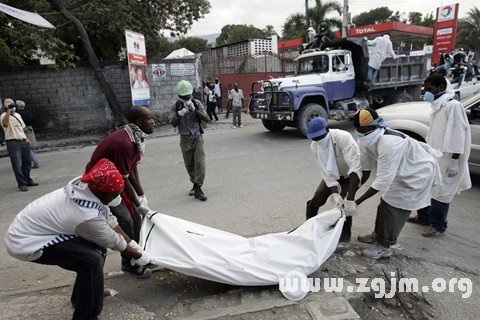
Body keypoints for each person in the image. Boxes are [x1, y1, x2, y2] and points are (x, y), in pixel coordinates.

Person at [4, 158, 153, 320]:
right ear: (103, 193)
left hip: (37, 228)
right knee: (91, 260)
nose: (117, 197)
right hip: (26, 242)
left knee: (95, 252)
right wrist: (140, 255)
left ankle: (83, 296)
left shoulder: (90, 189)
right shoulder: (85, 216)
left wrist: (132, 244)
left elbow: (110, 220)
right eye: (115, 194)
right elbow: (114, 241)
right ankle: (86, 315)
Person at [353, 108, 441, 259]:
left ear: (370, 127)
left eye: (361, 129)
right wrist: (351, 194)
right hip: (401, 172)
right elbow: (365, 169)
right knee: (385, 202)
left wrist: (357, 202)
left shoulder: (389, 143)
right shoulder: (365, 139)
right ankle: (378, 235)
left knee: (394, 207)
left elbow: (382, 180)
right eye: (357, 129)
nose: (358, 132)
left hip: (417, 173)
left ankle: (385, 246)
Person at [85, 105, 155, 278]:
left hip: (115, 181)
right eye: (149, 119)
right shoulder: (123, 143)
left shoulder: (134, 137)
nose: (153, 121)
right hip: (104, 186)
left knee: (137, 220)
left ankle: (139, 254)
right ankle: (129, 262)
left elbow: (131, 169)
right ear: (138, 122)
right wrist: (137, 204)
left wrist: (141, 195)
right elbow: (123, 177)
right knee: (125, 221)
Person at [408, 75, 471, 237]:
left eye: (429, 89)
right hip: (434, 156)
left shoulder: (453, 106)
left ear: (441, 87)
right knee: (427, 186)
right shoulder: (438, 105)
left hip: (447, 159)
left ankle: (438, 226)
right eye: (425, 89)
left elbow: (458, 135)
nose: (426, 92)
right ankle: (423, 217)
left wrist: (454, 162)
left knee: (442, 192)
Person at [305, 117, 362, 242]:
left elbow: (355, 167)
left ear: (327, 129)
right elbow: (324, 170)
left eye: (320, 136)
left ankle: (344, 235)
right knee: (316, 199)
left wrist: (351, 198)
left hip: (349, 176)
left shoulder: (343, 138)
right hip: (332, 175)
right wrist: (334, 192)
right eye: (314, 138)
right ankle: (309, 227)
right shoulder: (315, 146)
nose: (318, 140)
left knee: (344, 206)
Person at [169, 80, 210, 201]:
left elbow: (206, 119)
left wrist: (194, 110)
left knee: (199, 162)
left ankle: (198, 187)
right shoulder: (176, 106)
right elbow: (173, 123)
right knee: (189, 164)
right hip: (185, 138)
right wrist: (180, 114)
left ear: (191, 94)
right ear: (179, 96)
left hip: (197, 136)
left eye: (188, 96)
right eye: (184, 97)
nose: (186, 98)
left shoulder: (196, 103)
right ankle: (194, 184)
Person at [1, 97, 38, 191]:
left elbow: (21, 128)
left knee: (27, 162)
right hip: (12, 142)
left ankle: (28, 179)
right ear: (4, 105)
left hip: (23, 140)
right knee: (17, 164)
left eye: (11, 101)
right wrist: (8, 111)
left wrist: (26, 138)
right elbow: (5, 124)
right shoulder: (3, 115)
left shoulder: (17, 115)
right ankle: (21, 183)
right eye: (7, 102)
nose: (9, 103)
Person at [15, 100, 40, 168]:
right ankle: (33, 161)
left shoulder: (17, 114)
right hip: (29, 129)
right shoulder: (28, 113)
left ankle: (34, 162)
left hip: (22, 129)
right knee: (30, 146)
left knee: (26, 147)